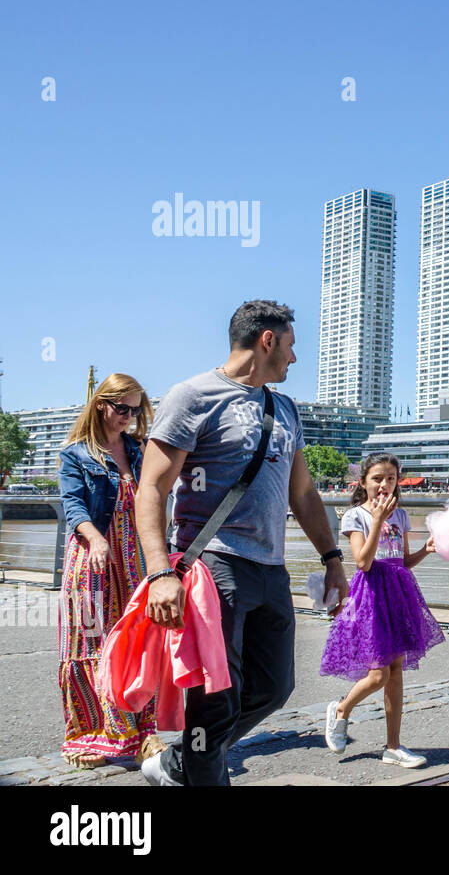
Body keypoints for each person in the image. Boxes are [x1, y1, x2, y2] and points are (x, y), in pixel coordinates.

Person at [134, 300, 350, 786]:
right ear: (267, 341)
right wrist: (159, 573)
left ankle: (178, 765)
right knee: (215, 698)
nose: (294, 359)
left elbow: (304, 494)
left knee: (275, 688)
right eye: (291, 347)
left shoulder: (284, 408)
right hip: (214, 565)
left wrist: (333, 559)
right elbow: (152, 487)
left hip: (271, 569)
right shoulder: (193, 396)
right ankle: (201, 773)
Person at [57, 373, 166, 768]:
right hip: (93, 558)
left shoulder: (139, 449)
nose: (129, 417)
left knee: (138, 640)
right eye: (122, 409)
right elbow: (73, 506)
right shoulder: (75, 453)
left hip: (136, 556)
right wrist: (96, 538)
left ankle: (145, 733)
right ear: (101, 404)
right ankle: (91, 732)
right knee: (90, 641)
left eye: (136, 410)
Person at [321, 453, 444, 768]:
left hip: (399, 595)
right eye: (377, 478)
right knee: (378, 674)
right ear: (363, 482)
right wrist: (376, 519)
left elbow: (401, 561)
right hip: (372, 596)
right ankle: (341, 710)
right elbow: (363, 562)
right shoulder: (356, 516)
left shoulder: (401, 516)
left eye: (391, 478)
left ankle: (393, 746)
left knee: (397, 671)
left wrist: (425, 551)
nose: (385, 485)